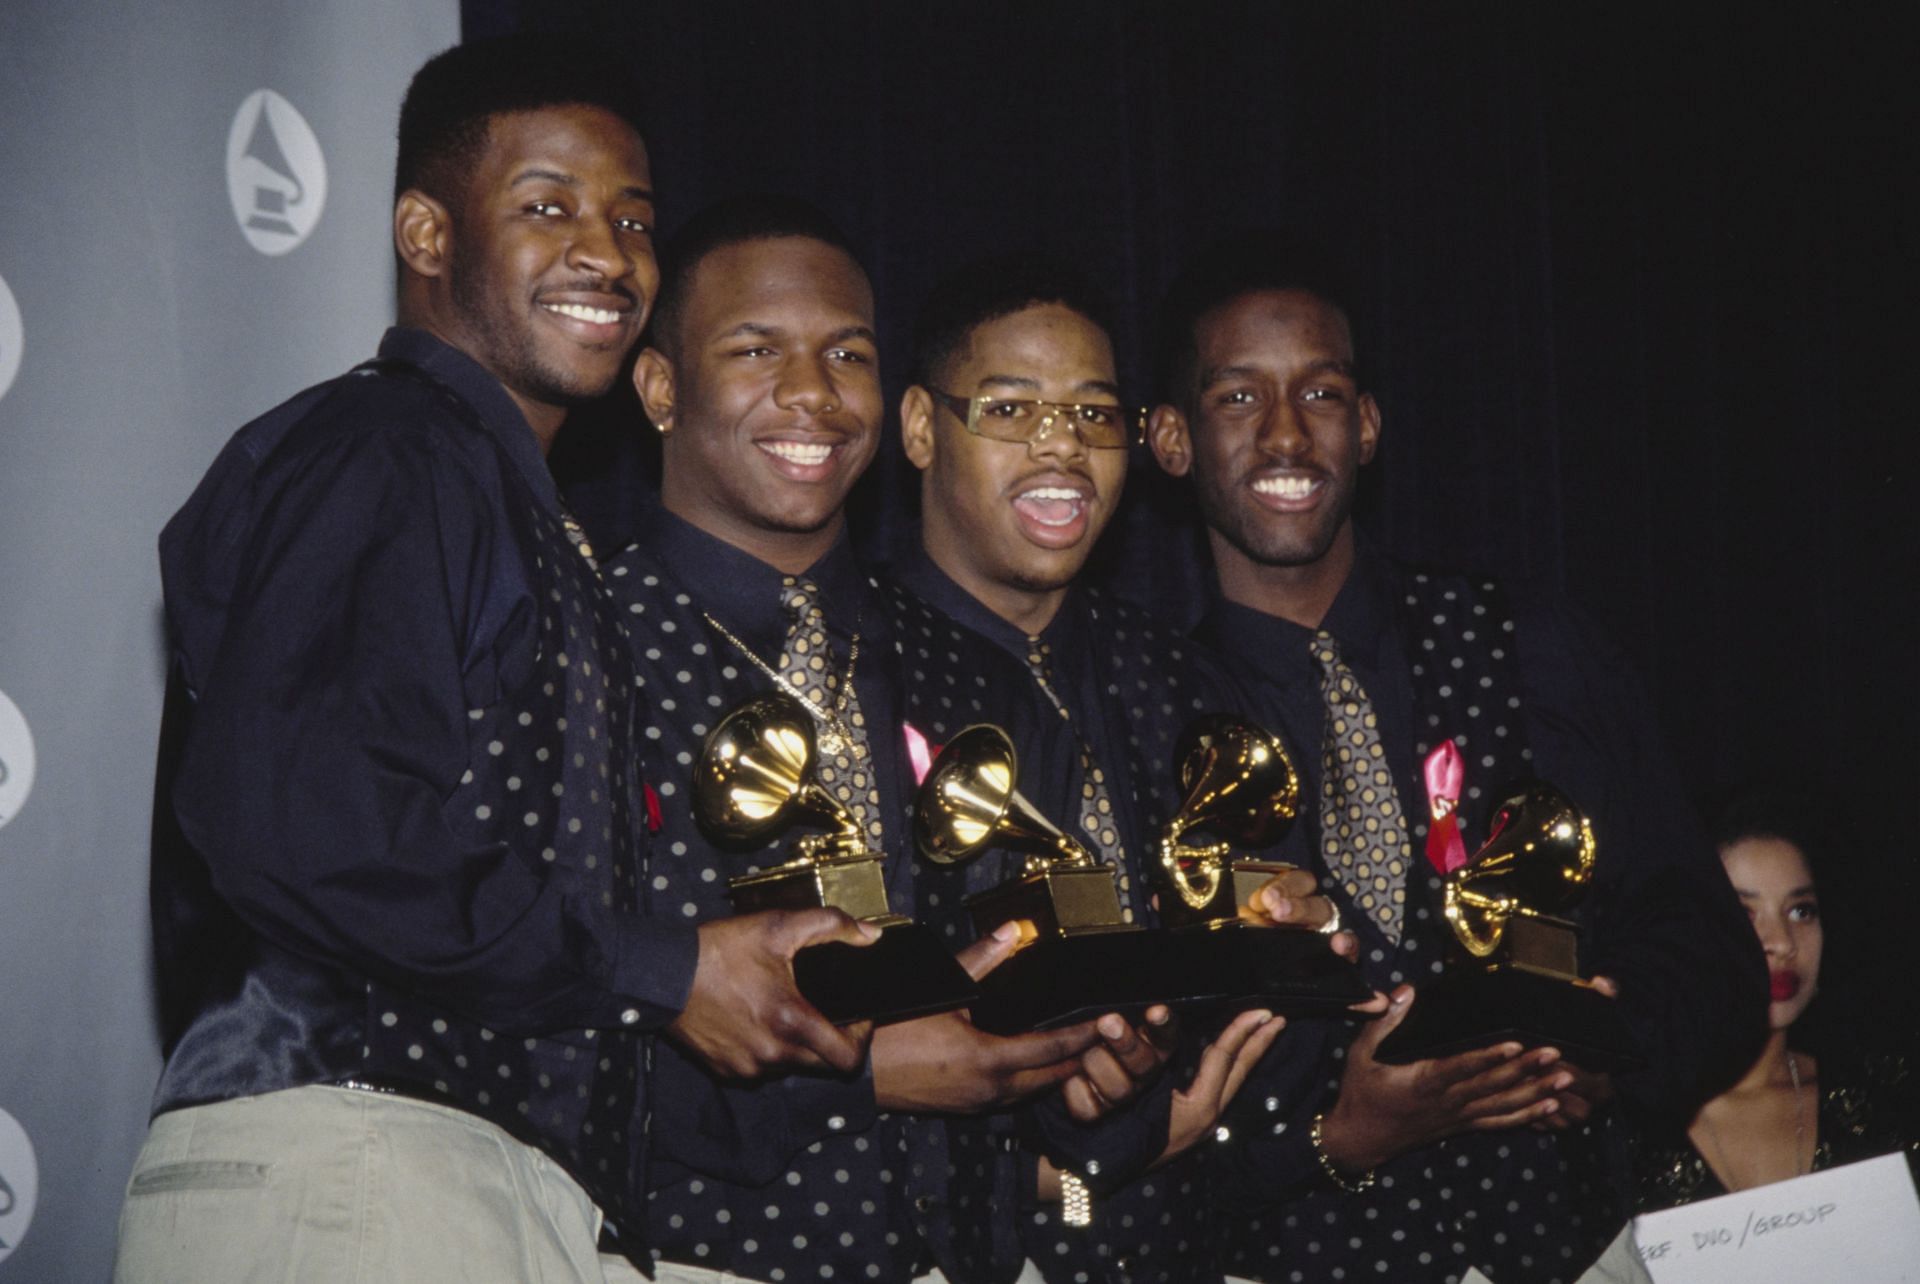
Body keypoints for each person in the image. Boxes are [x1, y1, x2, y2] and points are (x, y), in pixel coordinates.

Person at [115, 40, 870, 1283]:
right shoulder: (388, 450)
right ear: (425, 231)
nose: (608, 251)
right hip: (353, 1158)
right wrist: (667, 966)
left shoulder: (513, 508)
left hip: (469, 1180)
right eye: (547, 206)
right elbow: (312, 821)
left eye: (633, 217)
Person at [1144, 237, 1769, 1283]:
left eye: (1324, 391)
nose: (1289, 432)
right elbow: (1126, 1107)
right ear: (1170, 440)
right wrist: (1331, 1137)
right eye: (1239, 398)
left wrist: (1607, 1052)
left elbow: (1701, 939)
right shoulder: (1146, 710)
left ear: (1370, 425)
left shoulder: (1532, 645)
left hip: (1567, 1249)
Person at [603, 199, 1178, 1284]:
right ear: (661, 389)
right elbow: (526, 1005)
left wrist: (1102, 1080)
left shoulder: (975, 675)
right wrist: (861, 1072)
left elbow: (1048, 1064)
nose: (813, 392)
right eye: (757, 349)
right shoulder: (583, 641)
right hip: (678, 1256)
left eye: (846, 353)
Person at [896, 253, 1361, 1283]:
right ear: (924, 428)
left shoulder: (1183, 684)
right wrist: (1080, 1157)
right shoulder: (862, 670)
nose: (1062, 446)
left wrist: (1302, 936)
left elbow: (1279, 996)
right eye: (1013, 409)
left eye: (1094, 415)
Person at [1630, 794, 1919, 1208]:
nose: (1782, 944)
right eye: (1743, 914)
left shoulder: (1888, 1098)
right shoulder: (1614, 1121)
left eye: (1801, 911)